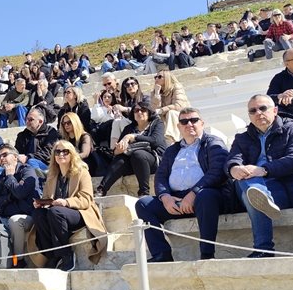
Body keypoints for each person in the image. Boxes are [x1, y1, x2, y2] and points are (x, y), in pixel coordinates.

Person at [135, 108, 230, 262]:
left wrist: (193, 193)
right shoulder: (172, 150)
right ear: (179, 126)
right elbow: (160, 176)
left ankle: (207, 255)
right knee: (143, 204)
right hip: (176, 199)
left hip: (206, 195)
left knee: (205, 196)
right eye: (184, 121)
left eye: (194, 120)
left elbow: (217, 172)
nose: (189, 124)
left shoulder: (213, 143)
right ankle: (161, 254)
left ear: (202, 123)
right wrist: (165, 197)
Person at [226, 95, 293, 257]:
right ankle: (260, 196)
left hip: (284, 187)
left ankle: (263, 248)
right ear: (249, 115)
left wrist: (264, 170)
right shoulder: (242, 138)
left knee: (251, 188)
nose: (258, 113)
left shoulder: (292, 128)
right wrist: (234, 169)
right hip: (249, 188)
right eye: (253, 110)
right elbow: (233, 159)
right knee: (247, 182)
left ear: (275, 110)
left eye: (263, 108)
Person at [29, 140, 106, 271]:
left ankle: (66, 254)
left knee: (56, 212)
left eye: (65, 151)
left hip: (80, 213)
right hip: (58, 214)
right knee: (38, 214)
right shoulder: (52, 175)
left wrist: (66, 202)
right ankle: (51, 254)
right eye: (57, 152)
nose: (61, 154)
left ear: (72, 154)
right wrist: (41, 203)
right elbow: (48, 198)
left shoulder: (82, 172)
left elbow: (87, 199)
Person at [0, 143, 42, 267]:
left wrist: (11, 177)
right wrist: (10, 196)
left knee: (15, 221)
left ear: (15, 157)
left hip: (27, 216)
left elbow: (20, 193)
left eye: (5, 155)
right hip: (6, 214)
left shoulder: (27, 170)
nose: (1, 158)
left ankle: (19, 261)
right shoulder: (2, 175)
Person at [96, 98, 165, 197]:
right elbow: (116, 151)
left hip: (154, 160)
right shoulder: (129, 128)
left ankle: (143, 192)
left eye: (143, 110)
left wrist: (134, 137)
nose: (139, 112)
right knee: (121, 159)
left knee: (138, 154)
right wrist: (117, 151)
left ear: (149, 112)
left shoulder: (157, 123)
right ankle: (101, 190)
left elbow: (156, 141)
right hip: (134, 163)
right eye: (136, 110)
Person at [13, 107, 59, 174]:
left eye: (30, 120)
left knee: (31, 162)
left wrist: (28, 157)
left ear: (40, 121)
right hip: (25, 165)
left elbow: (48, 153)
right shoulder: (22, 135)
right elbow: (17, 151)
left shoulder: (50, 132)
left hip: (45, 164)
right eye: (26, 119)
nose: (27, 122)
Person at [153, 72, 190, 143]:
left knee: (171, 113)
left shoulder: (176, 87)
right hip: (166, 117)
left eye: (160, 77)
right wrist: (157, 94)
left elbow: (179, 105)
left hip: (183, 115)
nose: (157, 79)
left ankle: (172, 139)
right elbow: (154, 110)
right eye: (155, 77)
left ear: (167, 78)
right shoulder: (155, 92)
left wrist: (161, 110)